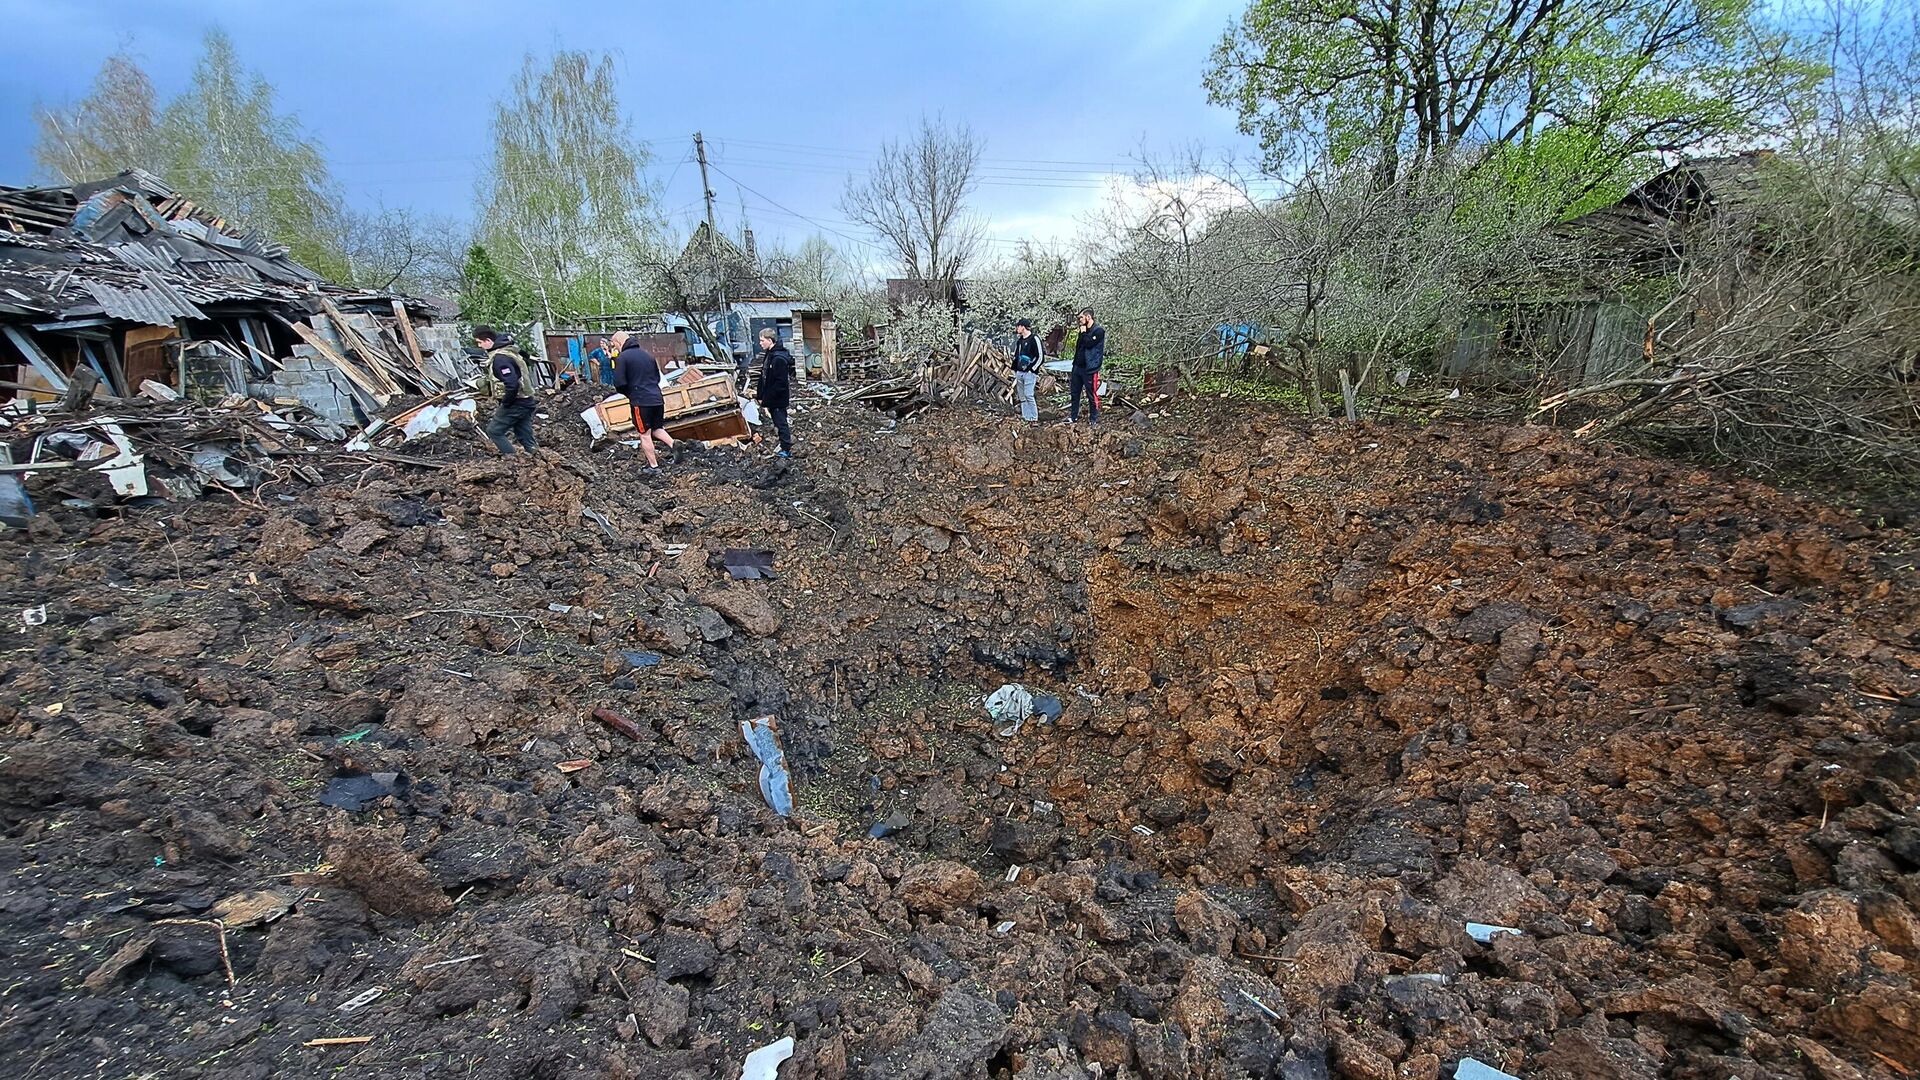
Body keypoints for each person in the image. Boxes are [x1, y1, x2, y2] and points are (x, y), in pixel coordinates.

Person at [609, 330, 677, 469]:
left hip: (640, 401)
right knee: (657, 428)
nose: (615, 348)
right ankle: (674, 445)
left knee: (644, 434)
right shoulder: (648, 355)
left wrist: (630, 394)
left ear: (618, 342)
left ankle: (654, 466)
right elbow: (657, 378)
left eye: (614, 345)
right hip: (657, 398)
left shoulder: (622, 358)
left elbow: (619, 383)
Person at [476, 325, 537, 455]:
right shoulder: (510, 351)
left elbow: (512, 384)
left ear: (488, 341)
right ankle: (537, 459)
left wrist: (506, 403)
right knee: (524, 435)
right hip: (527, 401)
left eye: (480, 342)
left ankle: (512, 460)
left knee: (494, 431)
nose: (479, 346)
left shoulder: (500, 359)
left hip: (516, 402)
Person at [755, 327, 795, 458]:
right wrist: (760, 395)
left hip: (778, 399)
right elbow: (764, 376)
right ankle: (784, 446)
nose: (760, 343)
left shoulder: (778, 359)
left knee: (781, 423)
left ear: (770, 340)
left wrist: (767, 398)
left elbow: (780, 384)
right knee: (778, 422)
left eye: (762, 341)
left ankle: (786, 449)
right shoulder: (769, 355)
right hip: (771, 398)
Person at [1068, 307, 1105, 425]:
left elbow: (1089, 344)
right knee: (1075, 392)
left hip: (1090, 368)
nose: (1079, 320)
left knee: (1091, 394)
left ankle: (1093, 419)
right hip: (1078, 367)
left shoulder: (1099, 331)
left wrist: (1083, 332)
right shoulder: (1082, 331)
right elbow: (1079, 346)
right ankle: (1073, 416)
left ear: (1088, 317)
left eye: (1081, 318)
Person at [1011, 318, 1042, 422]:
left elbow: (1040, 357)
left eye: (1018, 326)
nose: (1017, 328)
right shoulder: (1020, 341)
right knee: (1022, 396)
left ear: (1023, 327)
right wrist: (1015, 369)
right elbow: (1017, 355)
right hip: (1019, 372)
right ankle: (1026, 417)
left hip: (1029, 373)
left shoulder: (1034, 339)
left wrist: (1032, 369)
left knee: (1029, 395)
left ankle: (1034, 417)